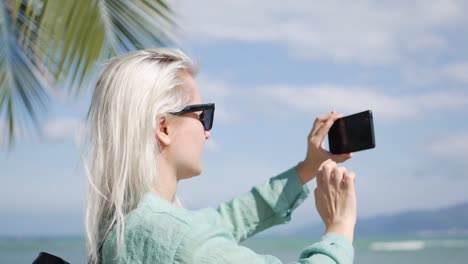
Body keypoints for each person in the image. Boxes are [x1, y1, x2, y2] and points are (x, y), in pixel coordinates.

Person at [82, 48, 357, 264]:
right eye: (204, 116)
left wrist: (308, 167)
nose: (207, 133)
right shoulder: (181, 240)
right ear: (163, 127)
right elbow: (195, 239)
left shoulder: (123, 225)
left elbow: (232, 218)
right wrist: (340, 227)